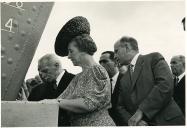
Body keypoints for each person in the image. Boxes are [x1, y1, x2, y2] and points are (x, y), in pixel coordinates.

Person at [53, 16, 115, 126]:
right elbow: (58, 100)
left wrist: (55, 102)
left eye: (71, 51)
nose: (68, 56)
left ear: (82, 49)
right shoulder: (78, 77)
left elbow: (89, 103)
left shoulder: (96, 70)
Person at [114, 36, 185, 126]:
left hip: (168, 122)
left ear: (127, 47)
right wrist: (134, 121)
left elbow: (165, 85)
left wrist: (140, 112)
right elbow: (120, 106)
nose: (115, 56)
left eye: (116, 51)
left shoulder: (153, 58)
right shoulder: (123, 78)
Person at [28, 54, 75, 126]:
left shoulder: (76, 81)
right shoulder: (36, 90)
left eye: (45, 71)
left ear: (56, 65)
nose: (42, 76)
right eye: (40, 73)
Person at [99, 51, 123, 125]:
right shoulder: (100, 85)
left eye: (105, 61)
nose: (101, 65)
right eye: (100, 62)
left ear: (116, 62)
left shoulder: (127, 80)